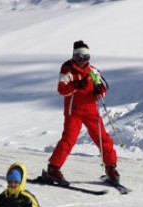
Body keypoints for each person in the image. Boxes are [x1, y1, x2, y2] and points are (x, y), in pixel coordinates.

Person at [43, 40, 120, 186]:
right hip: (74, 112)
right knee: (69, 140)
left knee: (103, 139)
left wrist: (100, 90)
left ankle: (111, 169)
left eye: (86, 56)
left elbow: (103, 88)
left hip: (91, 110)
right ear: (73, 56)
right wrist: (75, 85)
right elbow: (62, 89)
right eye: (79, 56)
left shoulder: (93, 71)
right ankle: (53, 169)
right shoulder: (67, 69)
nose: (82, 60)